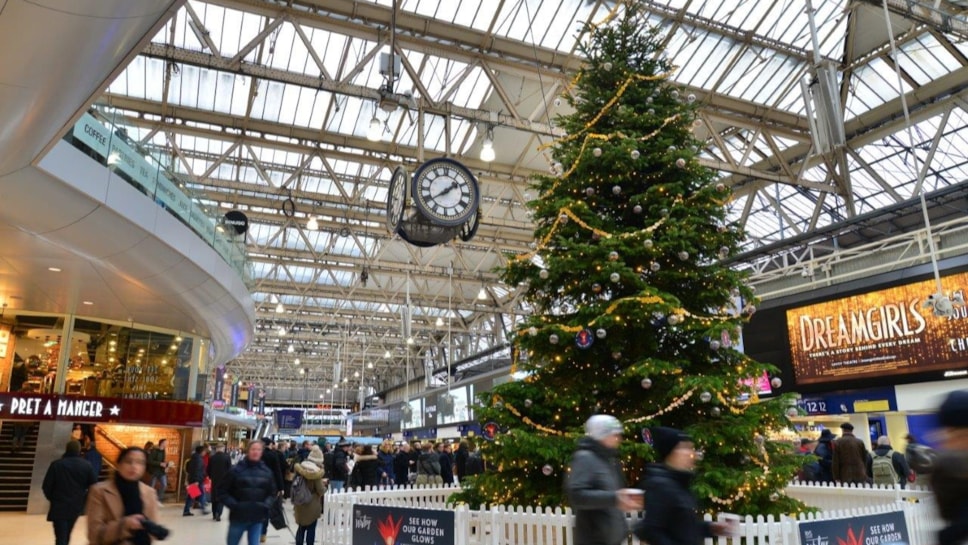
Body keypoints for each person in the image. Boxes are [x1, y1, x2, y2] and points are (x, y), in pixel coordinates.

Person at [633, 427, 738, 545]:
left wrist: (712, 528)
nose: (690, 453)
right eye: (684, 448)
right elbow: (652, 530)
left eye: (690, 448)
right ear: (670, 452)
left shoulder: (680, 484)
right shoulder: (660, 485)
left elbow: (684, 527)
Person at [565, 415, 643, 545]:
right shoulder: (584, 458)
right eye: (614, 435)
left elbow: (615, 495)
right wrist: (615, 498)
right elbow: (576, 495)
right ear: (601, 435)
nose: (618, 439)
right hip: (593, 540)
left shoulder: (611, 460)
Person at [86, 447, 161, 545]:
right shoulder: (99, 491)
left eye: (140, 462)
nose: (134, 466)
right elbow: (94, 535)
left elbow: (152, 534)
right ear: (118, 465)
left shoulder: (149, 493)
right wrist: (125, 524)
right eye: (128, 461)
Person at [220, 439, 277, 545]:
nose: (256, 452)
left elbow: (272, 493)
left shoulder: (267, 473)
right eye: (253, 449)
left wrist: (265, 505)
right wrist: (234, 505)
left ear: (261, 452)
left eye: (258, 449)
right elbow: (222, 491)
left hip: (257, 518)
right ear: (248, 451)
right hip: (238, 517)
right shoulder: (235, 470)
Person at [42, 440, 97, 545]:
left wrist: (53, 498)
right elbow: (94, 486)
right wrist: (84, 499)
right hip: (76, 506)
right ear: (79, 450)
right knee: (67, 534)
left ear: (67, 449)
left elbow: (46, 486)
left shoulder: (56, 465)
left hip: (59, 505)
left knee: (60, 537)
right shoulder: (86, 465)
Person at [293, 445, 327, 545]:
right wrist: (325, 486)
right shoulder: (316, 472)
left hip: (299, 501)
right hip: (311, 503)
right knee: (311, 529)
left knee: (301, 528)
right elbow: (320, 490)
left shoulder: (301, 467)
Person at [208, 443, 233, 522]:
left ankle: (214, 513)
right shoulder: (227, 457)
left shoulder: (212, 457)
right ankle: (219, 513)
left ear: (216, 449)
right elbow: (230, 469)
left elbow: (208, 469)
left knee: (214, 496)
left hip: (214, 480)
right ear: (223, 448)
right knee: (221, 497)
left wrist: (210, 476)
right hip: (224, 480)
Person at [184, 444, 209, 516]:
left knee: (191, 495)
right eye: (204, 451)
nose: (205, 453)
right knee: (201, 494)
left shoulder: (194, 458)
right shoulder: (198, 459)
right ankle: (203, 509)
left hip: (194, 479)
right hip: (197, 480)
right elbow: (197, 470)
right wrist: (196, 480)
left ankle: (186, 510)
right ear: (201, 451)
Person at [146, 438, 169, 502]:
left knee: (164, 485)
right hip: (154, 471)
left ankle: (158, 499)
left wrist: (166, 465)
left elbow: (162, 461)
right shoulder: (154, 450)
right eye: (166, 442)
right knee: (151, 486)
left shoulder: (164, 451)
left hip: (161, 471)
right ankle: (149, 500)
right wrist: (160, 464)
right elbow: (149, 461)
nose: (167, 444)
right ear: (162, 443)